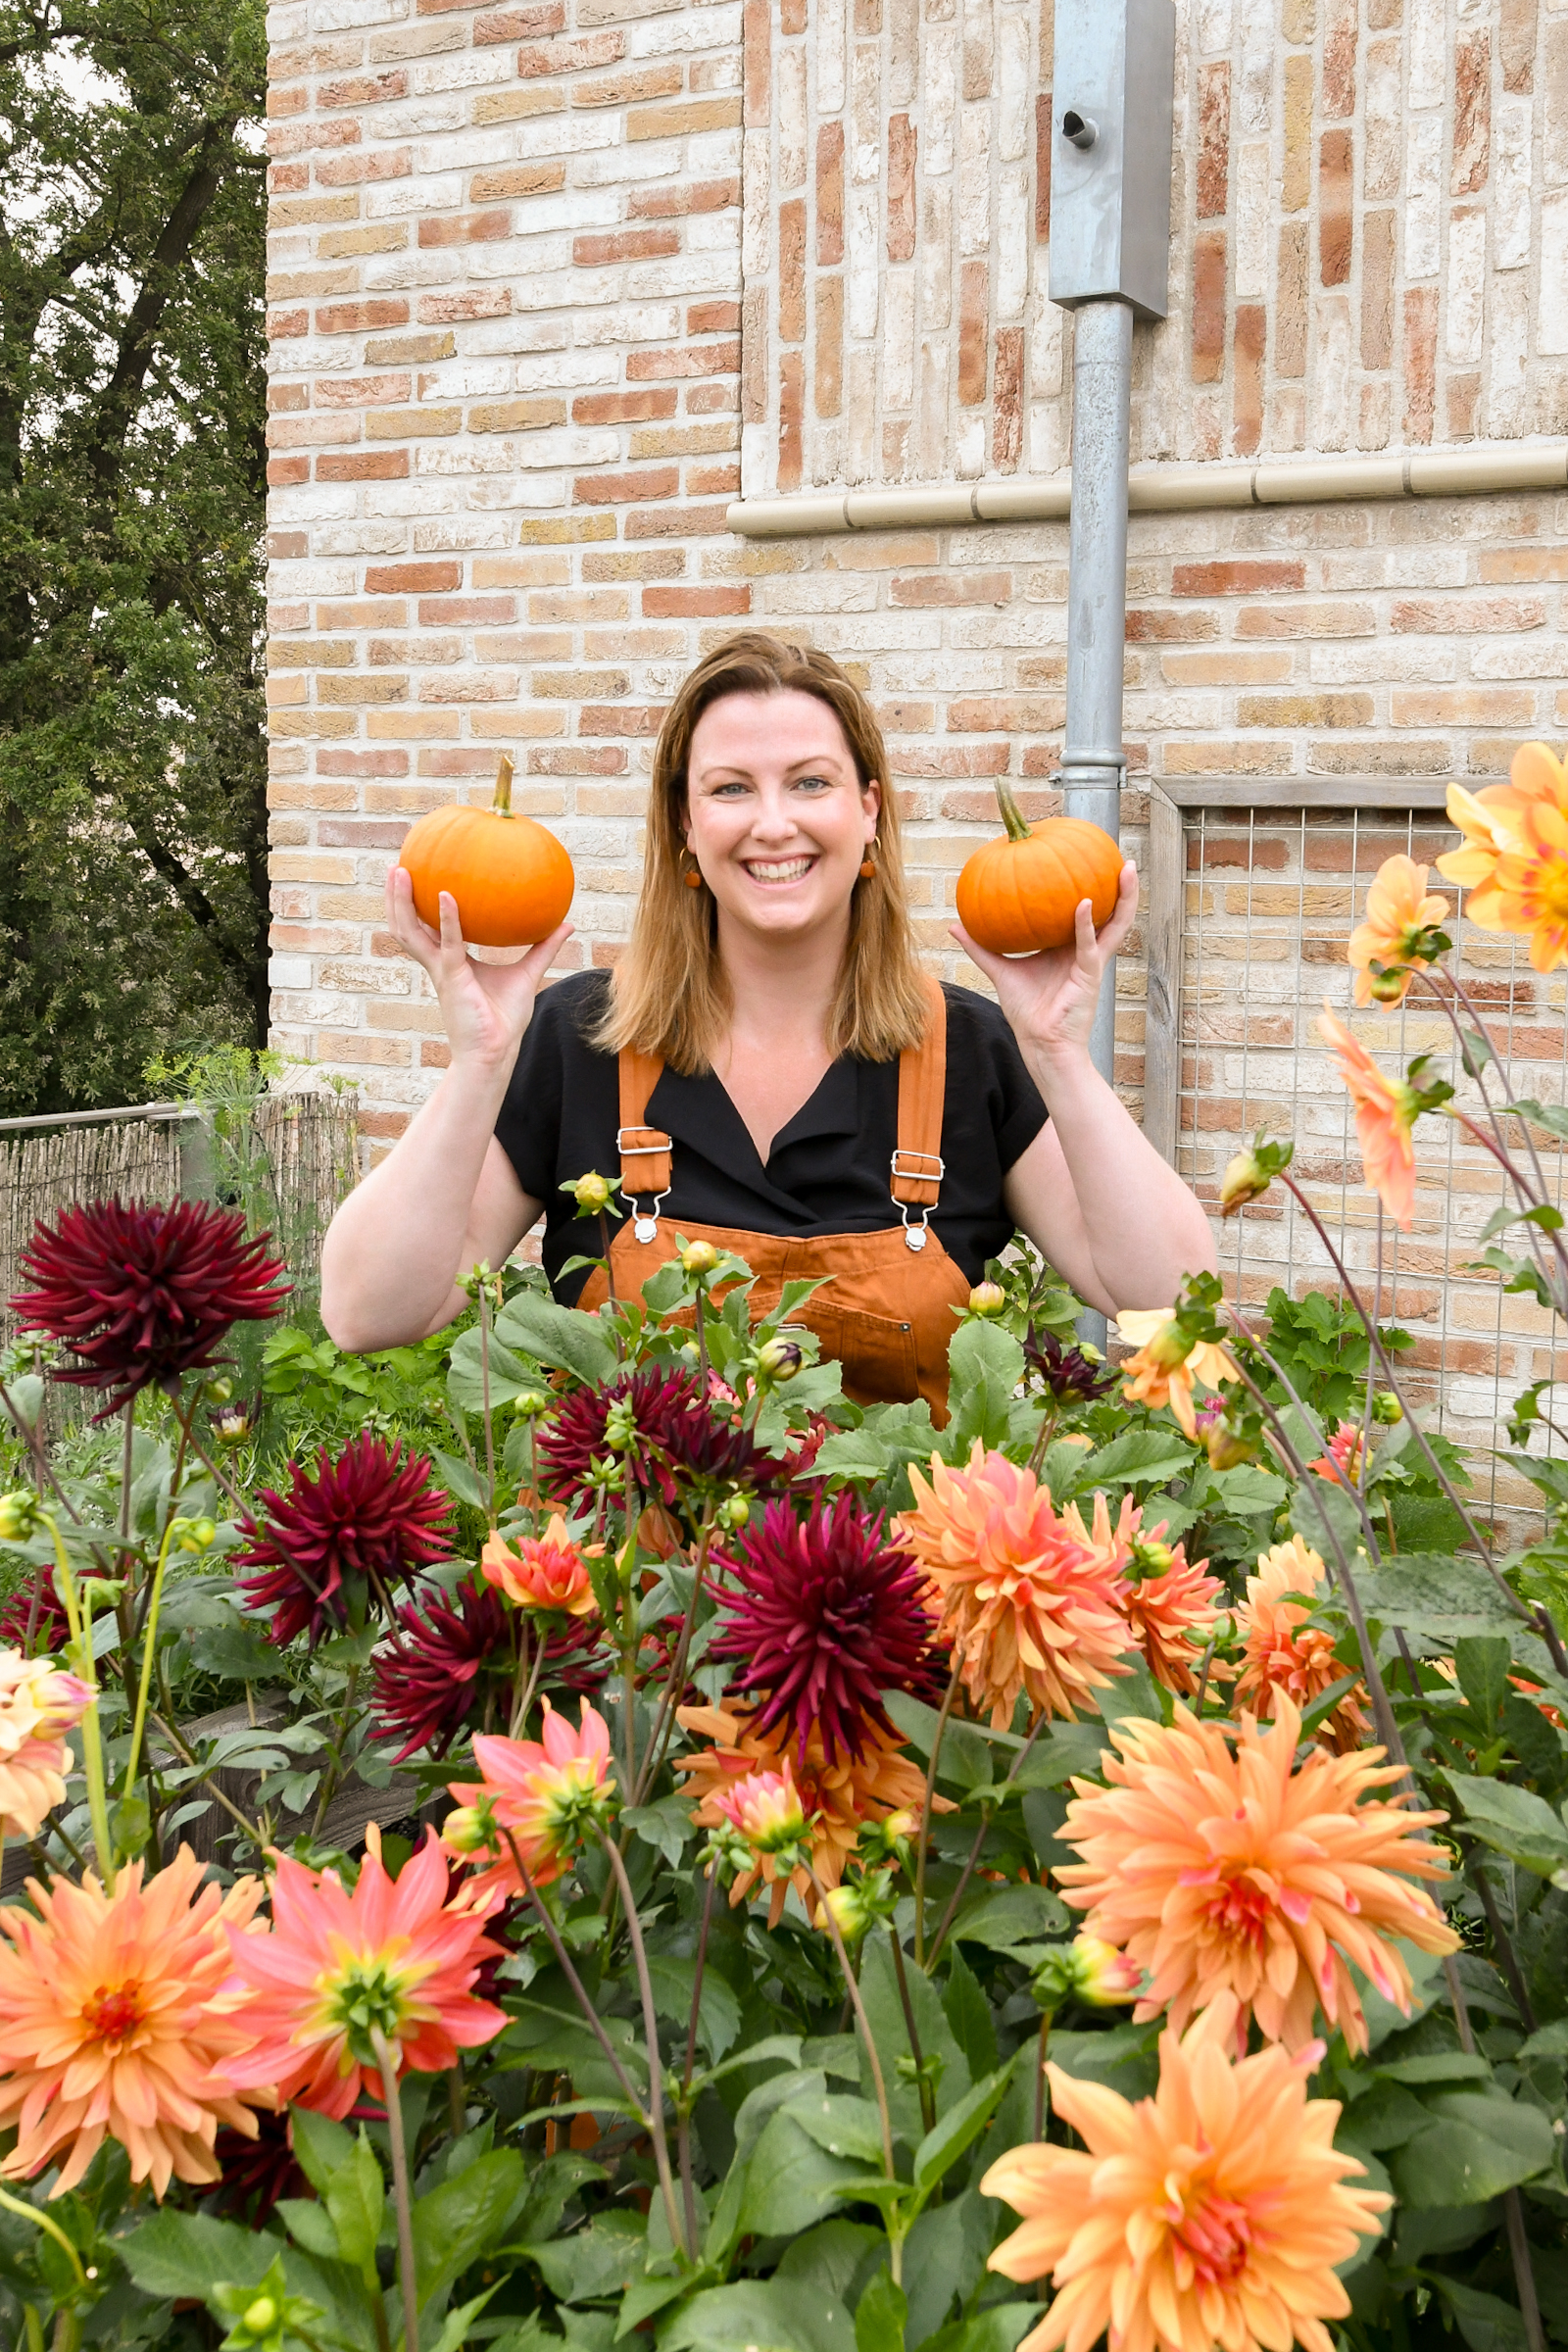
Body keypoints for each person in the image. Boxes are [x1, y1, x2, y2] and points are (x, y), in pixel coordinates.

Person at [320, 633, 1215, 1415]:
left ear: (868, 810)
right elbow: (369, 1312)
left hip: (898, 1598)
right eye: (731, 788)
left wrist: (1059, 1054)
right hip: (637, 1601)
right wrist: (480, 1059)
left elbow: (1172, 1298)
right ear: (686, 822)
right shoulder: (579, 1038)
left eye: (811, 782)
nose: (773, 822)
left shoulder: (970, 1053)